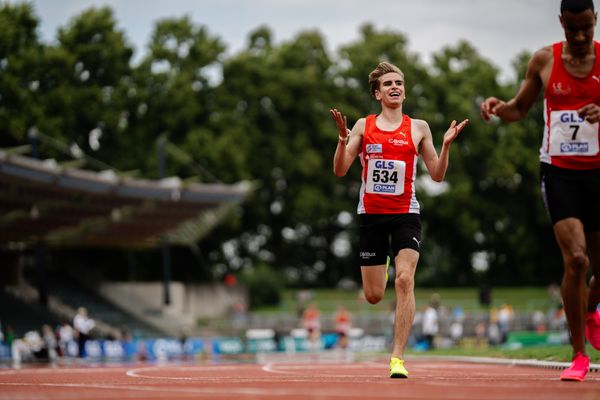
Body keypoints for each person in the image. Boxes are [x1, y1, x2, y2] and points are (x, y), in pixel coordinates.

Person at [480, 0, 600, 382]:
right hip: (559, 172)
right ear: (561, 23)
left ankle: (588, 310)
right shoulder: (544, 61)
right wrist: (500, 108)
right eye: (572, 28)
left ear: (596, 20)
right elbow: (520, 108)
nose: (580, 37)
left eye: (587, 28)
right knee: (577, 260)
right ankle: (578, 355)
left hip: (599, 174)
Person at [330, 61, 468, 378]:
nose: (395, 87)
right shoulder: (364, 127)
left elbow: (437, 175)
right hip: (372, 216)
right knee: (375, 295)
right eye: (388, 84)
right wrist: (341, 139)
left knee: (405, 281)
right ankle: (384, 264)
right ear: (377, 93)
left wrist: (446, 146)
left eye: (399, 83)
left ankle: (397, 358)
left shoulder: (418, 128)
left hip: (406, 213)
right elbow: (339, 170)